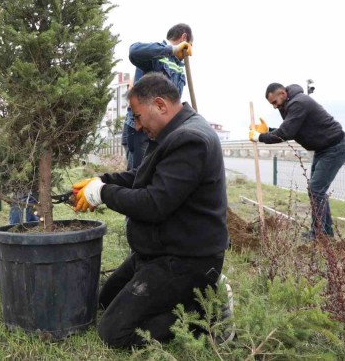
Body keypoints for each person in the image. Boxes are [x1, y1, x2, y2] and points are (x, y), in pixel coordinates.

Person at [72, 72, 229, 348]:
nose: (136, 125)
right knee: (106, 300)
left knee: (113, 332)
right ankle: (187, 299)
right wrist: (102, 181)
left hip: (186, 260)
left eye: (137, 115)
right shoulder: (172, 132)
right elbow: (140, 177)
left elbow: (154, 204)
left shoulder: (190, 140)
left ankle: (207, 313)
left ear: (160, 105)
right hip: (158, 251)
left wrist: (103, 194)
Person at [249, 83, 345, 238]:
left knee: (316, 190)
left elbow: (286, 132)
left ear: (282, 93)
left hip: (334, 148)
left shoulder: (299, 103)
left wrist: (260, 137)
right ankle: (326, 233)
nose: (275, 107)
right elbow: (292, 128)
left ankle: (318, 234)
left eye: (275, 102)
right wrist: (268, 130)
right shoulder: (289, 104)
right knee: (316, 190)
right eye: (272, 104)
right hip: (323, 149)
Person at [124, 23, 193, 169]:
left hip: (162, 132)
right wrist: (172, 50)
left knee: (152, 175)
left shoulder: (180, 66)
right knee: (138, 176)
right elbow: (134, 51)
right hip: (143, 128)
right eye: (190, 45)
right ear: (184, 38)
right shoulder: (157, 54)